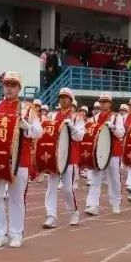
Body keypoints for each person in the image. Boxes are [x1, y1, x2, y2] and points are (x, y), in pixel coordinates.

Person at [0, 71, 42, 247]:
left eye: (12, 85)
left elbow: (39, 131)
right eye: (6, 85)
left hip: (21, 158)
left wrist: (27, 127)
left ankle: (16, 233)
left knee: (16, 198)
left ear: (19, 88)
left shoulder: (27, 108)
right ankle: (0, 233)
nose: (9, 88)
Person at [42, 87, 84, 227]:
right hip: (53, 156)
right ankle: (51, 215)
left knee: (67, 188)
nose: (63, 99)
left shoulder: (77, 117)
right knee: (51, 187)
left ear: (71, 100)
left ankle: (73, 212)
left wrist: (72, 127)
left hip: (70, 157)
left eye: (66, 97)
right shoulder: (52, 115)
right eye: (61, 97)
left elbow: (80, 136)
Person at [86, 93, 125, 215]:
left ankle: (116, 203)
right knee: (95, 178)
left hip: (113, 152)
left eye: (105, 101)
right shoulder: (93, 119)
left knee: (114, 179)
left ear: (110, 103)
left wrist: (113, 127)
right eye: (101, 101)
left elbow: (121, 134)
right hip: (98, 153)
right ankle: (93, 205)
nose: (103, 103)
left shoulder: (116, 117)